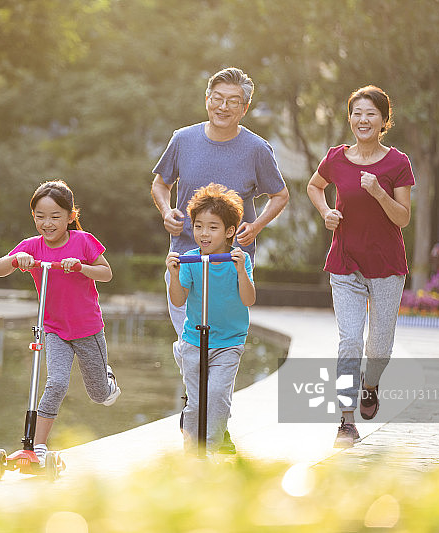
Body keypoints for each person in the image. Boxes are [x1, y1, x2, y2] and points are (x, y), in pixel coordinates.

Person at [151, 66, 287, 447]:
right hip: (184, 257)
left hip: (232, 263)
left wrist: (256, 227)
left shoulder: (257, 149)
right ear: (206, 99)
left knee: (222, 342)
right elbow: (160, 183)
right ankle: (200, 408)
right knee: (190, 342)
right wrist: (166, 211)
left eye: (233, 101)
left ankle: (205, 415)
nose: (223, 107)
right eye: (218, 98)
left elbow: (280, 194)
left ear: (245, 108)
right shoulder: (183, 139)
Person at [306, 85, 414, 448]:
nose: (363, 119)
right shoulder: (337, 158)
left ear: (384, 120)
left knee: (379, 347)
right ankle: (346, 420)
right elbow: (314, 186)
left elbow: (403, 218)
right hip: (345, 263)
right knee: (350, 340)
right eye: (357, 113)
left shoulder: (397, 162)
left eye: (371, 113)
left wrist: (379, 192)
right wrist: (326, 212)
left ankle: (371, 386)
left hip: (386, 266)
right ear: (350, 118)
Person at [0, 180, 120, 463]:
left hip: (87, 330)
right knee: (56, 383)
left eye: (55, 217)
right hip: (54, 330)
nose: (47, 223)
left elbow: (106, 273)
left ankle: (107, 379)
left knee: (100, 395)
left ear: (71, 216)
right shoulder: (31, 246)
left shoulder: (83, 241)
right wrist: (17, 260)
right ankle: (36, 447)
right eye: (40, 216)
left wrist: (80, 267)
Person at [166, 183, 255, 452]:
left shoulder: (239, 260)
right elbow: (179, 300)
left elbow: (249, 299)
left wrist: (241, 271)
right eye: (199, 226)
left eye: (213, 227)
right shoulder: (191, 260)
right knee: (195, 401)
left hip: (228, 341)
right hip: (195, 339)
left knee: (216, 396)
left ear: (229, 232)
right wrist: (173, 273)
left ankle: (213, 449)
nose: (204, 234)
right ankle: (192, 454)